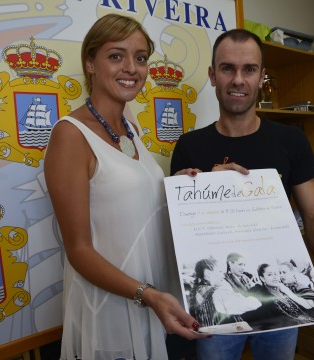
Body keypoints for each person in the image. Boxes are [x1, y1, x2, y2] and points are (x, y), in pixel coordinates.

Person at [170, 28, 314, 360]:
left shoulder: (291, 141)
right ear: (212, 75)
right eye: (227, 68)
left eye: (249, 69)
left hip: (276, 294)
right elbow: (179, 233)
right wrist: (201, 185)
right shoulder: (189, 146)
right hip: (221, 301)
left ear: (262, 77)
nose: (238, 79)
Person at [44, 14, 205, 360]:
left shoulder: (131, 130)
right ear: (90, 63)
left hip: (153, 302)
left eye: (141, 57)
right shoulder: (70, 134)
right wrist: (147, 294)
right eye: (116, 56)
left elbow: (127, 204)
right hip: (112, 311)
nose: (131, 67)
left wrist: (186, 185)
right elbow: (79, 251)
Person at [189, 257, 261, 328]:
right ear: (208, 273)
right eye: (220, 271)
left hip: (206, 334)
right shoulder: (218, 292)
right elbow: (254, 304)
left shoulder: (196, 291)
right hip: (223, 335)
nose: (223, 275)